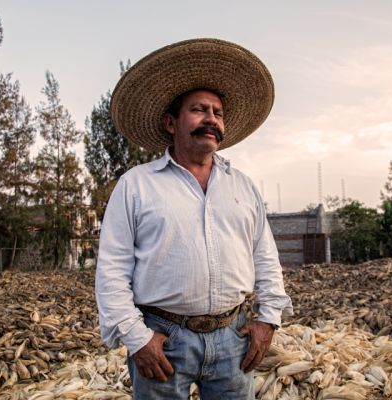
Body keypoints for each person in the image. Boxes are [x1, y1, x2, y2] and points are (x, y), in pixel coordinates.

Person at [95, 38, 293, 399]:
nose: (211, 120)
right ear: (171, 123)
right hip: (164, 340)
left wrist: (268, 319)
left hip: (234, 337)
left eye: (217, 113)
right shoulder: (136, 185)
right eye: (199, 110)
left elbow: (265, 258)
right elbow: (111, 269)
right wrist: (138, 338)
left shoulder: (242, 187)